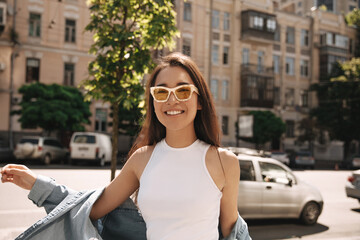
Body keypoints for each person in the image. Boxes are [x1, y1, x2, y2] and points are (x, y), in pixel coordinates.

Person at [1, 52, 251, 240]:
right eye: (161, 93)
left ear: (199, 101)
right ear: (153, 103)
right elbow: (89, 208)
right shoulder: (142, 160)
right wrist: (38, 186)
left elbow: (231, 231)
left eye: (183, 91)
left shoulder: (224, 162)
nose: (172, 100)